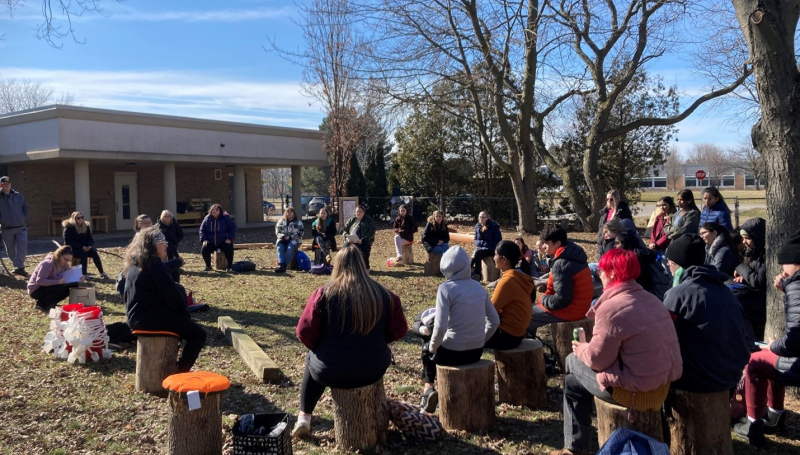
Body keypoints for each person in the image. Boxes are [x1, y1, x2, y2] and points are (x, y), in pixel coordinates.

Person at [549, 249, 682, 455]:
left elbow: (597, 361)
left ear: (611, 273)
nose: (598, 275)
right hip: (660, 387)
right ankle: (576, 443)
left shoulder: (610, 308)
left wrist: (581, 347)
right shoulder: (652, 299)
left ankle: (576, 447)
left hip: (635, 393)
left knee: (571, 362)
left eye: (600, 271)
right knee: (573, 383)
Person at [292, 246, 408, 438]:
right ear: (362, 265)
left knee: (312, 360)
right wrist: (379, 340)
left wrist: (320, 347)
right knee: (317, 359)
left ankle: (304, 416)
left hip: (331, 369)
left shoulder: (324, 294)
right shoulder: (384, 294)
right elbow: (400, 329)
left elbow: (304, 331)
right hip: (373, 367)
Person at [662, 233, 750, 400]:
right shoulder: (725, 291)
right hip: (730, 376)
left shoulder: (679, 294)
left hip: (699, 380)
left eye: (671, 262)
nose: (668, 265)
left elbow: (666, 339)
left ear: (680, 265)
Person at [733, 229, 800, 447]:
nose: (781, 270)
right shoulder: (794, 285)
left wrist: (775, 345)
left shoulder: (797, 285)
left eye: (784, 265)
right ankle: (774, 414)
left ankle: (753, 426)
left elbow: (795, 340)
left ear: (794, 262)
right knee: (769, 355)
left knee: (756, 361)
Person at [419, 246, 500, 412]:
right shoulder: (479, 288)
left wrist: (433, 349)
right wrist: (481, 340)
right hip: (476, 352)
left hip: (452, 353)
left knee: (426, 347)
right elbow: (494, 320)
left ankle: (428, 388)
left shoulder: (446, 288)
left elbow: (440, 327)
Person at [123, 227, 206, 373]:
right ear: (154, 245)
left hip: (136, 317)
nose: (167, 245)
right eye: (163, 242)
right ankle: (181, 371)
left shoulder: (136, 262)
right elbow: (173, 296)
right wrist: (185, 315)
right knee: (198, 334)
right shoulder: (154, 264)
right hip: (149, 320)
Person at [529, 225, 593, 335]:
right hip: (581, 307)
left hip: (571, 310)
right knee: (529, 308)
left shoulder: (562, 263)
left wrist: (543, 298)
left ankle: (521, 344)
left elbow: (562, 299)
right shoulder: (574, 255)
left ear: (557, 243)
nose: (543, 246)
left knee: (524, 315)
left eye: (546, 243)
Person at [484, 241, 534, 350]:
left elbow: (491, 311)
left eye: (496, 255)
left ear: (504, 260)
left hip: (507, 336)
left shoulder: (507, 281)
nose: (493, 258)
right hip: (518, 334)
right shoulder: (520, 276)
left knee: (465, 334)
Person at [735, 217, 768, 342]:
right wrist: (743, 277)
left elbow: (757, 280)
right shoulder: (752, 253)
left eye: (747, 238)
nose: (744, 242)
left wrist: (740, 267)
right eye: (743, 238)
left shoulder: (765, 255)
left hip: (761, 301)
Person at [27, 245, 85, 312]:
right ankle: (41, 304)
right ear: (60, 255)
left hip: (49, 286)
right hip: (36, 289)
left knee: (74, 285)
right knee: (60, 288)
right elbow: (39, 281)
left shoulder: (64, 264)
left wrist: (79, 277)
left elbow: (69, 275)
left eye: (68, 260)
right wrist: (58, 282)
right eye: (65, 259)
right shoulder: (48, 264)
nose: (66, 262)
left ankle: (51, 303)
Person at [62, 212, 108, 279]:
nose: (80, 219)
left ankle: (102, 272)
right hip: (73, 249)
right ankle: (84, 274)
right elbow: (68, 242)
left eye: (82, 217)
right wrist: (81, 247)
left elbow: (90, 238)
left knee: (94, 252)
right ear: (73, 219)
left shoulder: (86, 226)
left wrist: (89, 246)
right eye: (78, 218)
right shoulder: (69, 227)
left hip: (85, 247)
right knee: (83, 254)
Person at [0, 175, 29, 276]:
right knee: (10, 250)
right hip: (6, 228)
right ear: (1, 185)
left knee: (22, 246)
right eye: (4, 184)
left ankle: (20, 267)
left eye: (8, 183)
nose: (7, 185)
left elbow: (25, 207)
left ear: (10, 184)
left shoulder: (18, 195)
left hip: (20, 227)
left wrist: (22, 217)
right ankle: (18, 266)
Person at [199, 204, 236, 272]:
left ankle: (230, 266)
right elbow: (202, 230)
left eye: (216, 210)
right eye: (213, 209)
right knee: (204, 250)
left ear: (220, 211)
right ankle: (208, 266)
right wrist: (204, 240)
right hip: (211, 241)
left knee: (229, 248)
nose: (214, 211)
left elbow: (233, 227)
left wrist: (230, 239)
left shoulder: (225, 218)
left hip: (223, 241)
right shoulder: (207, 219)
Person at [596, 189, 632, 257]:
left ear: (616, 199)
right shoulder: (604, 212)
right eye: (607, 199)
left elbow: (626, 228)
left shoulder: (623, 212)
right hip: (604, 241)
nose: (609, 201)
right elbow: (601, 228)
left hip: (615, 243)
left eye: (611, 199)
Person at [341, 204, 376, 271]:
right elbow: (344, 230)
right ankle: (346, 268)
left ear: (364, 212)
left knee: (363, 251)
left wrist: (363, 240)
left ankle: (366, 268)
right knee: (344, 250)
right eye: (357, 211)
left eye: (360, 211)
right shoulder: (352, 220)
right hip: (351, 240)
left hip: (363, 241)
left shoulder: (368, 220)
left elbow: (372, 231)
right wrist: (347, 237)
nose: (358, 213)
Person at [471, 211, 502, 279]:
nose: (481, 219)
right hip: (482, 248)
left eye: (483, 217)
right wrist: (481, 244)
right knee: (478, 255)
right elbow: (476, 240)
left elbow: (498, 241)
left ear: (487, 218)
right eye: (480, 217)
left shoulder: (493, 226)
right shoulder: (477, 226)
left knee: (477, 253)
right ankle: (476, 275)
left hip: (492, 249)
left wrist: (484, 245)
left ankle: (470, 271)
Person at [274, 207, 305, 273]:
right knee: (280, 248)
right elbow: (277, 231)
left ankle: (284, 266)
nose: (289, 213)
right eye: (288, 212)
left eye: (291, 212)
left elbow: (301, 233)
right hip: (282, 239)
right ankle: (281, 265)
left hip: (294, 240)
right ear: (285, 213)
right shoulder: (281, 221)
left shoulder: (298, 222)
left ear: (294, 213)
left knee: (290, 248)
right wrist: (283, 236)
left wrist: (291, 237)